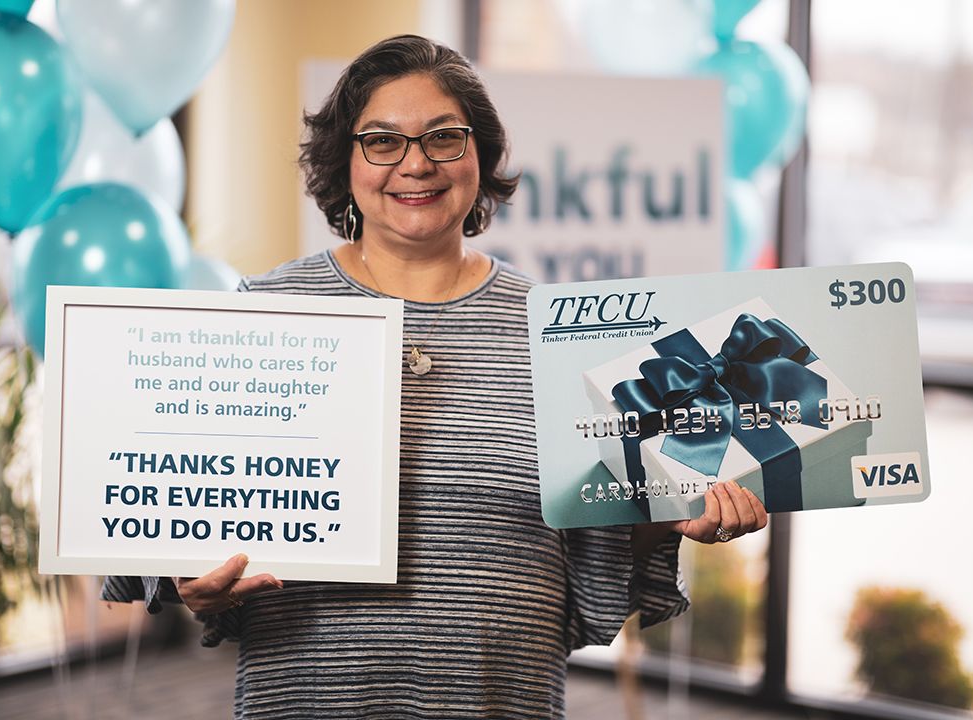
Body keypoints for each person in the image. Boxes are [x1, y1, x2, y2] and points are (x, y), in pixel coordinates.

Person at [103, 34, 768, 718]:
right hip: (305, 698)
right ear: (346, 159)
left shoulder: (559, 333)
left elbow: (591, 556)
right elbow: (188, 503)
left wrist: (670, 516)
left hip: (499, 697)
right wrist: (185, 572)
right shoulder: (268, 312)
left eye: (443, 138)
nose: (415, 164)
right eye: (383, 141)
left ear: (479, 154)